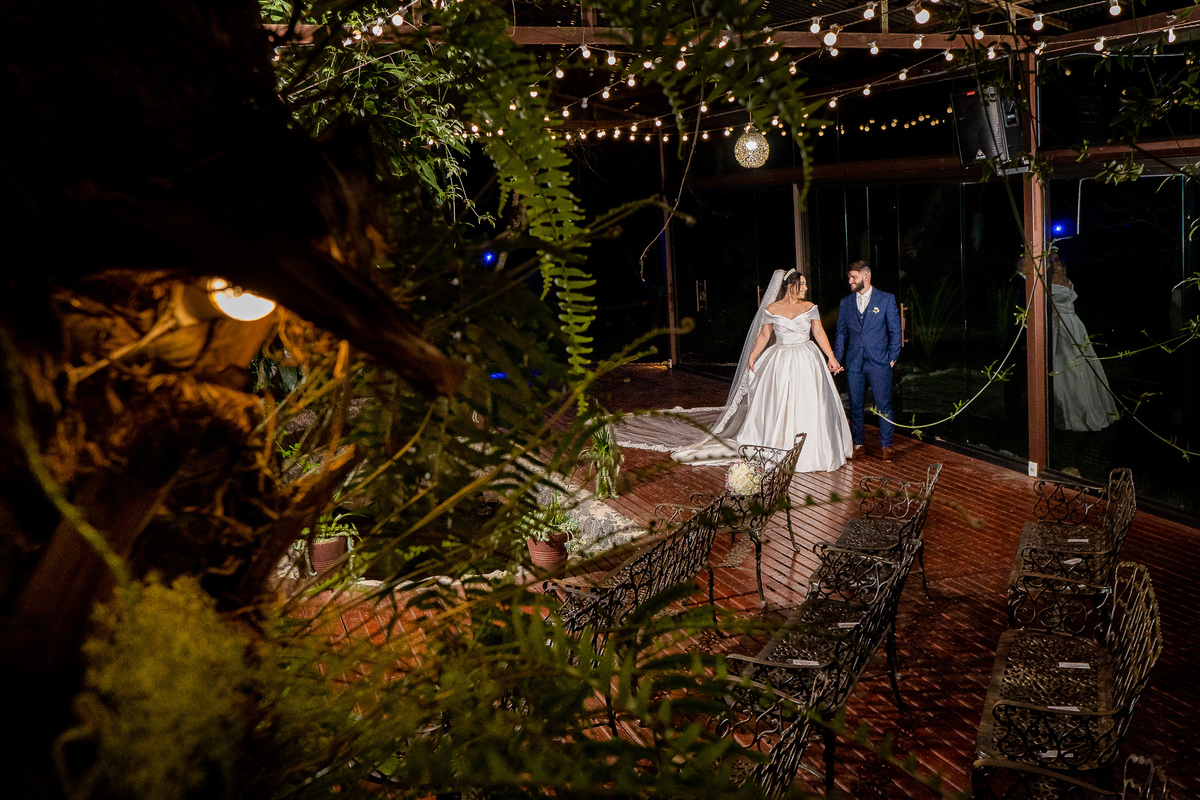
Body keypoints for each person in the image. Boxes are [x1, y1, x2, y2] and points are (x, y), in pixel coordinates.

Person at [673, 269, 853, 472]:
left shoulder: (810, 307)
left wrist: (830, 356)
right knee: (781, 401)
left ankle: (815, 451)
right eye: (802, 284)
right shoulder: (772, 308)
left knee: (809, 400)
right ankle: (780, 443)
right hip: (782, 358)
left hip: (806, 357)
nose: (806, 288)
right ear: (792, 286)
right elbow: (764, 335)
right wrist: (753, 355)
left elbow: (818, 332)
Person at [834, 261, 903, 462]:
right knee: (855, 405)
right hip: (854, 362)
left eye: (853, 277)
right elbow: (841, 333)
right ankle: (858, 444)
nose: (850, 281)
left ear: (866, 276)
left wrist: (892, 358)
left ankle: (886, 446)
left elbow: (895, 331)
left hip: (879, 362)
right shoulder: (846, 302)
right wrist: (838, 359)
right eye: (849, 277)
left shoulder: (886, 299)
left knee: (884, 405)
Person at [1047, 250, 1118, 431]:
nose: (1056, 262)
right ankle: (1069, 412)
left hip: (1074, 324)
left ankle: (1091, 407)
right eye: (1052, 259)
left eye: (1058, 259)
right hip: (1060, 325)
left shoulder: (1066, 278)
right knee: (1066, 363)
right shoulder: (1046, 282)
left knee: (1084, 362)